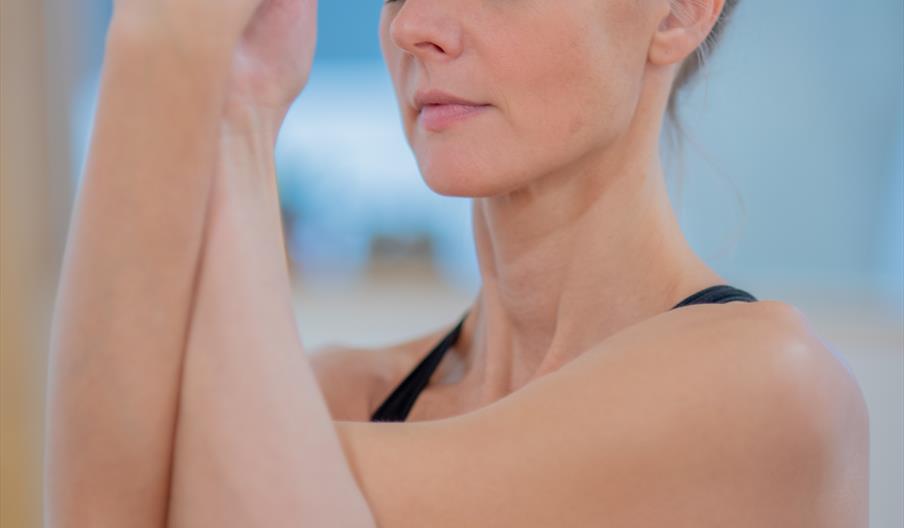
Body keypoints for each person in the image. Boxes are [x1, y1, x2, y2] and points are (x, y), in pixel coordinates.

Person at [45, 0, 870, 526]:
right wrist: (220, 80)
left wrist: (224, 104)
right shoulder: (349, 393)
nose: (414, 24)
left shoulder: (770, 386)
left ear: (678, 13)